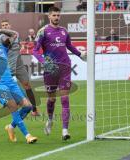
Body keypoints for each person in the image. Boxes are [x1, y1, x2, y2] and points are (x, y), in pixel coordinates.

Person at [33, 6, 86, 140]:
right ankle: (50, 120)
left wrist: (80, 54)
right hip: (50, 69)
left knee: (64, 98)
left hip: (65, 67)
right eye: (54, 15)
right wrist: (43, 61)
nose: (56, 17)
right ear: (49, 16)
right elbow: (35, 50)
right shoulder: (43, 31)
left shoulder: (64, 31)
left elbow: (69, 46)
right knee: (51, 99)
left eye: (58, 15)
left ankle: (65, 131)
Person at [0, 19, 40, 116]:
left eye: (6, 25)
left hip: (18, 65)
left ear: (10, 26)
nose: (5, 26)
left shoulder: (16, 34)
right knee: (0, 85)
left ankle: (34, 110)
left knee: (27, 85)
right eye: (3, 25)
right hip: (7, 66)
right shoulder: (0, 38)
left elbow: (16, 44)